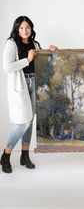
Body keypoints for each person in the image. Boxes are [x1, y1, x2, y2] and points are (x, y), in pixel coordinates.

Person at [1, 16, 57, 173]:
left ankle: (24, 155)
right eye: (21, 28)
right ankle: (6, 155)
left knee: (30, 121)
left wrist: (51, 52)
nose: (24, 30)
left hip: (35, 83)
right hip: (21, 85)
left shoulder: (35, 44)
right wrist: (27, 59)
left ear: (31, 28)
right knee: (22, 123)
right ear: (16, 29)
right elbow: (7, 67)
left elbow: (45, 65)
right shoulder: (11, 44)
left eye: (27, 27)